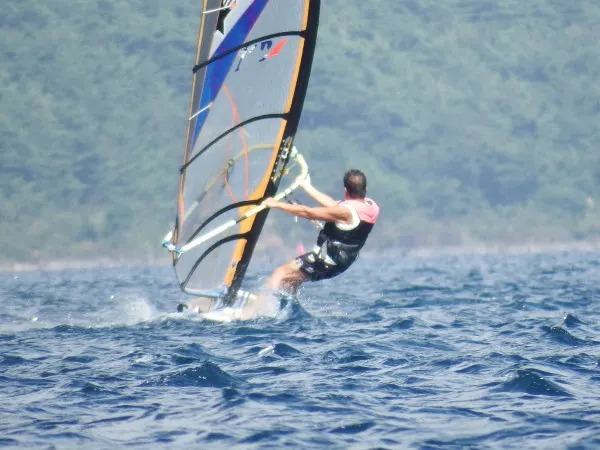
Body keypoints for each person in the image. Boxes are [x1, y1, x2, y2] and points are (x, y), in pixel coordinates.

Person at [262, 169, 379, 295]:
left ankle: (258, 305)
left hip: (326, 262)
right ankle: (286, 305)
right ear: (365, 189)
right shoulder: (372, 206)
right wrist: (307, 187)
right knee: (290, 281)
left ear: (345, 191)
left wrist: (275, 204)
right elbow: (333, 205)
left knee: (280, 274)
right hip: (341, 262)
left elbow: (308, 212)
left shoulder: (345, 212)